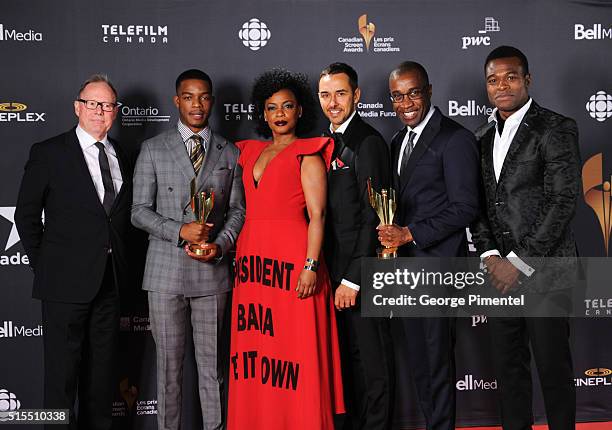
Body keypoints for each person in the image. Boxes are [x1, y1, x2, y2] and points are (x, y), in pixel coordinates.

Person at [470, 46, 580, 430]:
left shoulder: (555, 128)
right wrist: (490, 258)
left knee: (553, 371)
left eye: (510, 77)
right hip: (499, 277)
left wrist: (517, 263)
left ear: (528, 80)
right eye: (493, 79)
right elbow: (478, 206)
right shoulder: (481, 136)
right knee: (509, 370)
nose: (502, 85)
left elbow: (562, 201)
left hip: (546, 274)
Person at [227, 69, 344, 429]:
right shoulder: (247, 153)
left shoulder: (307, 153)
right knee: (258, 354)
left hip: (293, 261)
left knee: (294, 352)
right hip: (252, 264)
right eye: (272, 107)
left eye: (287, 106)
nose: (279, 114)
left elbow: (318, 215)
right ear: (262, 113)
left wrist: (311, 265)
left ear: (300, 111)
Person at [15, 74, 131, 430]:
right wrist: (47, 267)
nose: (100, 111)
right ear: (77, 107)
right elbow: (26, 216)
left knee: (102, 383)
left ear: (116, 112)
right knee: (61, 384)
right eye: (93, 103)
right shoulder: (49, 152)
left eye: (108, 105)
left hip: (110, 285)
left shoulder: (124, 155)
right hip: (63, 287)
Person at [131, 69, 245, 430]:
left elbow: (239, 211)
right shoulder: (152, 148)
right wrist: (180, 230)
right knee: (168, 371)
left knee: (213, 371)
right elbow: (137, 212)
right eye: (189, 97)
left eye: (204, 97)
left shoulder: (231, 151)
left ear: (212, 101)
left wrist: (222, 244)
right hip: (165, 274)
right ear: (176, 100)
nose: (198, 104)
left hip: (212, 275)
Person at [378, 61, 480, 430]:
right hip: (404, 270)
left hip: (438, 267)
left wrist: (410, 233)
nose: (406, 102)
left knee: (437, 361)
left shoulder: (455, 138)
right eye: (397, 96)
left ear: (430, 91)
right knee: (420, 361)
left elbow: (465, 207)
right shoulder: (396, 141)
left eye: (413, 92)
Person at [317, 62, 394, 430]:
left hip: (359, 278)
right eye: (326, 95)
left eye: (341, 93)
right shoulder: (320, 143)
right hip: (329, 276)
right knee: (345, 366)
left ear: (357, 95)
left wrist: (354, 278)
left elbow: (375, 217)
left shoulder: (369, 142)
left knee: (373, 366)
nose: (333, 102)